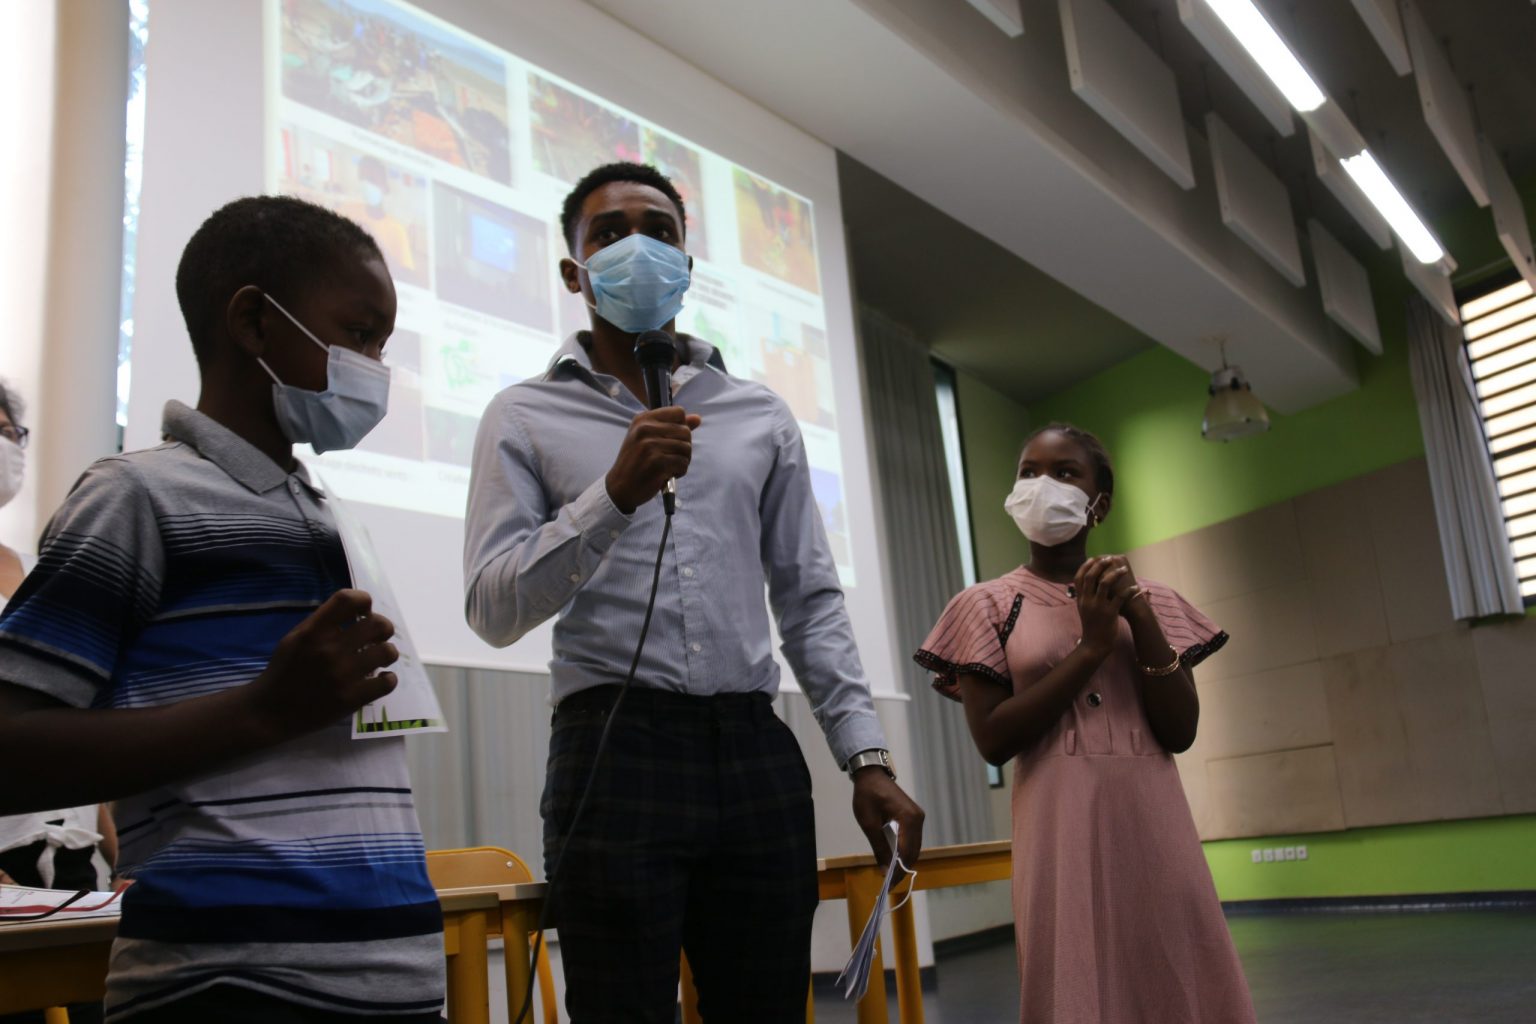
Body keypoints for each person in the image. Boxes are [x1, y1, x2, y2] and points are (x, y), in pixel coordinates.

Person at [463, 162, 924, 1023]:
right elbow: (492, 609)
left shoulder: (760, 414)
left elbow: (810, 599)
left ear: (686, 263)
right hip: (612, 746)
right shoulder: (522, 415)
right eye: (609, 233)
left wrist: (867, 758)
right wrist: (612, 496)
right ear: (573, 270)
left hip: (752, 748)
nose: (637, 247)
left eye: (660, 231)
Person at [0, 196, 445, 1023]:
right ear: (253, 322)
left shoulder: (330, 515)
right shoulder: (135, 496)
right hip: (223, 984)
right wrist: (262, 710)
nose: (375, 367)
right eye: (358, 334)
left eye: (382, 345)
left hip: (392, 980)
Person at [914, 423, 1256, 1023]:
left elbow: (1180, 731)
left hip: (1154, 814)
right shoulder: (985, 605)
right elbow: (994, 739)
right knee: (1072, 972)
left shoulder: (1154, 600)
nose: (1041, 484)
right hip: (1058, 818)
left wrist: (1137, 615)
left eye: (1064, 472)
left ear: (1100, 503)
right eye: (1028, 472)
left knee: (1174, 965)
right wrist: (1093, 647)